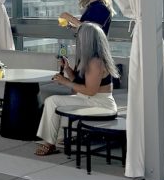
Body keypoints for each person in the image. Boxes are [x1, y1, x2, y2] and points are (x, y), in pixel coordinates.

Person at [35, 22, 119, 156]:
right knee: (52, 101)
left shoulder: (96, 62)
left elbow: (90, 91)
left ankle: (50, 143)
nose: (77, 39)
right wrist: (67, 68)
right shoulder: (88, 59)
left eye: (78, 36)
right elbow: (79, 83)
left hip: (101, 104)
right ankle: (54, 140)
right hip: (88, 99)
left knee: (53, 101)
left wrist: (65, 82)